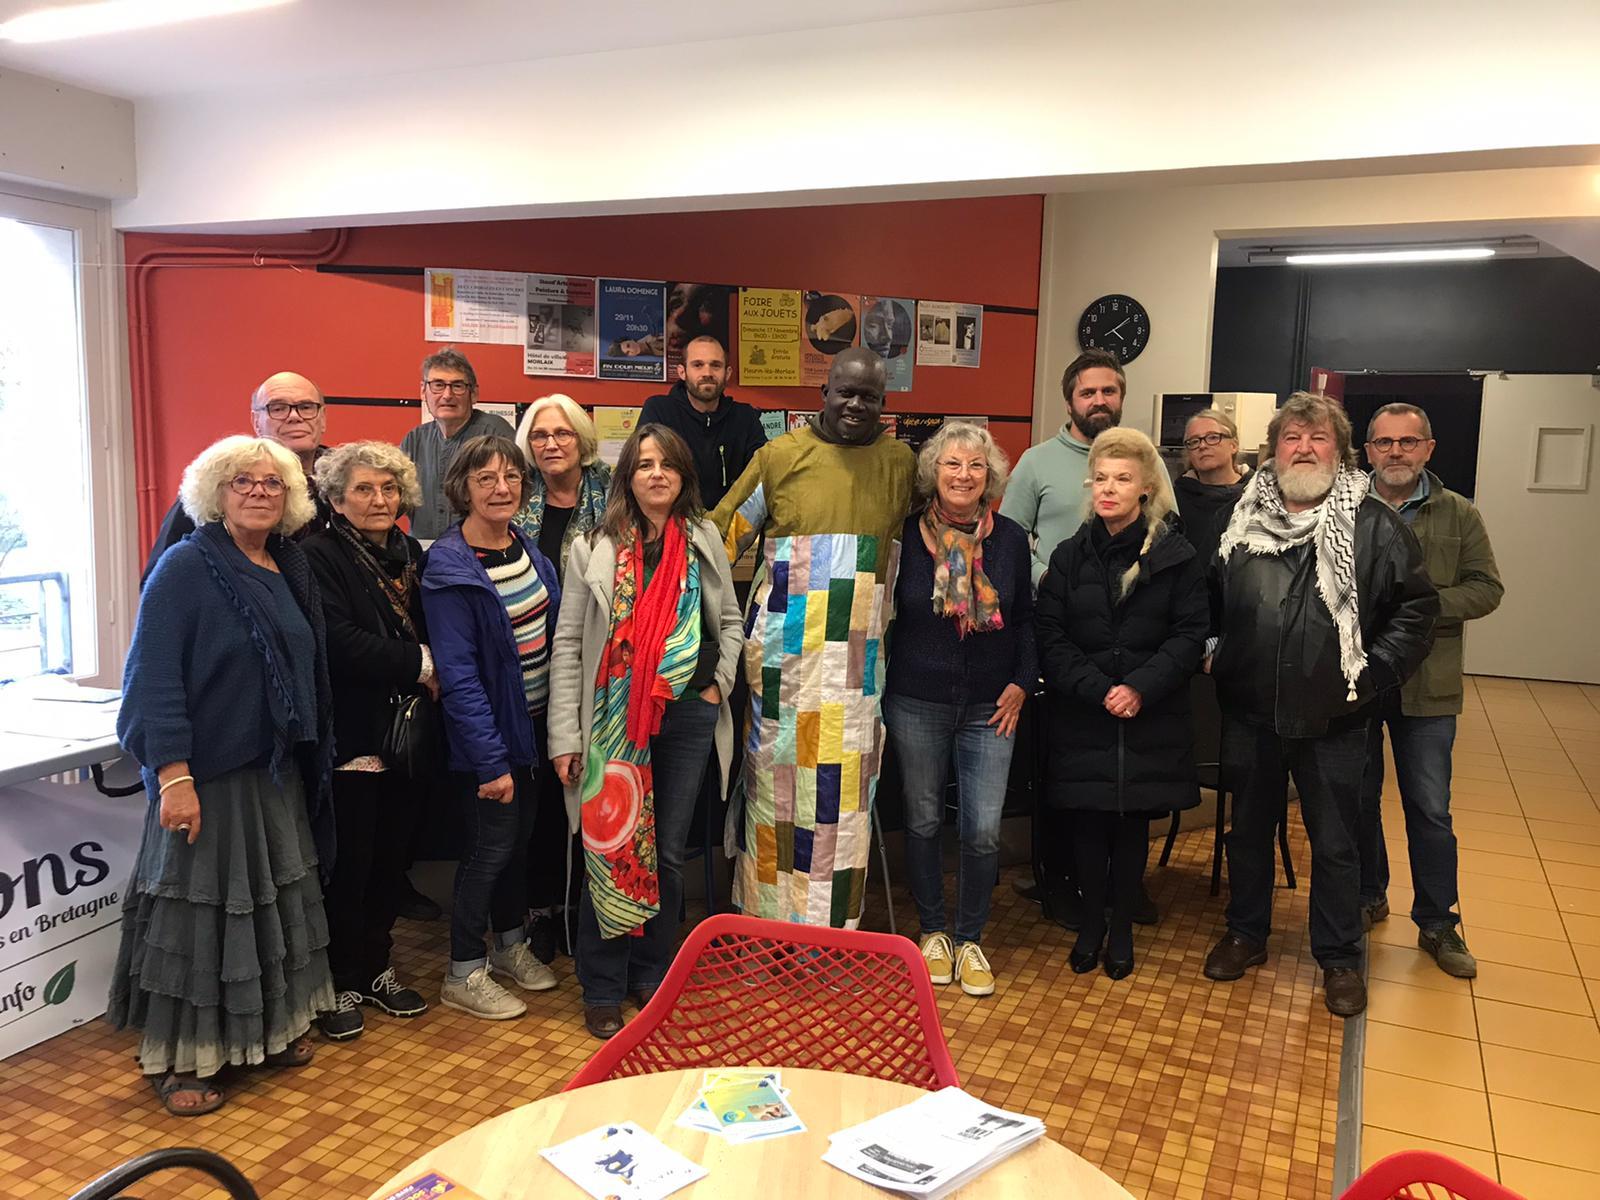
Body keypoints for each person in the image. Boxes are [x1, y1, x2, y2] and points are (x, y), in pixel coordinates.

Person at [110, 435, 337, 1115]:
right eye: (244, 481)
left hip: (272, 773)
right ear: (216, 492)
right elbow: (151, 677)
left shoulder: (287, 564)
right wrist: (172, 775)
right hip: (206, 778)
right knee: (199, 922)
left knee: (271, 913)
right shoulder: (185, 566)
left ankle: (268, 1032)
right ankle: (185, 1058)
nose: (260, 492)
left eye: (273, 482)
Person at [1203, 392, 1438, 1017]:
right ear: (1272, 448)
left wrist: (1369, 673)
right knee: (1247, 832)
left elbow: (1416, 612)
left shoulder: (1374, 524)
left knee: (1335, 843)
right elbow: (1211, 599)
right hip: (1250, 710)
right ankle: (1245, 934)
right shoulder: (1239, 520)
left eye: (1319, 438)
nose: (1304, 448)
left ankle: (1338, 958)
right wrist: (1217, 653)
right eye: (1292, 437)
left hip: (1338, 717)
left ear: (1340, 450)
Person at [547, 425, 743, 1039]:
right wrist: (565, 737)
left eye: (668, 465)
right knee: (610, 844)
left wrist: (718, 684)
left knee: (667, 852)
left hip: (686, 713)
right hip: (611, 719)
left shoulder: (706, 538)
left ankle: (653, 974)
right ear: (627, 476)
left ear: (684, 475)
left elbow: (732, 622)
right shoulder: (593, 547)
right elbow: (571, 644)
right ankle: (603, 985)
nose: (656, 474)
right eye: (644, 464)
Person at [712, 346, 916, 927]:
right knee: (774, 794)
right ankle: (765, 924)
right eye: (845, 392)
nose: (856, 405)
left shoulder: (901, 465)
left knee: (844, 801)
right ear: (822, 394)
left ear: (884, 403)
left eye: (869, 396)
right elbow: (721, 541)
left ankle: (835, 932)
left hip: (858, 671)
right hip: (783, 669)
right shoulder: (778, 458)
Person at [1001, 348, 1167, 927]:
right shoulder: (1038, 462)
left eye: (1109, 391)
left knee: (1125, 771)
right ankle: (1061, 881)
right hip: (1062, 640)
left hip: (1132, 643)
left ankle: (1123, 887)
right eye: (1088, 392)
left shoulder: (1143, 459)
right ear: (1069, 399)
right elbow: (1008, 540)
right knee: (1064, 769)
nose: (1100, 401)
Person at [1035, 429, 1208, 980]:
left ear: (1146, 488)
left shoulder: (1176, 557)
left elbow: (1189, 634)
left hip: (1148, 713)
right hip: (1084, 712)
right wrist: (1096, 688)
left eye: (1122, 480)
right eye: (1101, 479)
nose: (1108, 489)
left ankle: (1124, 926)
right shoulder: (1068, 557)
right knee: (1088, 821)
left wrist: (1137, 687)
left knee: (1131, 822)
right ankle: (1091, 922)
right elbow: (1051, 634)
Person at [883, 422, 1035, 997]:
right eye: (952, 464)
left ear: (990, 476)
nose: (964, 475)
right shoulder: (902, 537)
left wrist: (1022, 683)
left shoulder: (1011, 540)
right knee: (921, 820)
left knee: (983, 831)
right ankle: (932, 933)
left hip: (991, 706)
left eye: (975, 466)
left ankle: (970, 937)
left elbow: (1024, 620)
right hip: (915, 699)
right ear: (933, 472)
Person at [1358, 403, 1503, 978]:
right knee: (1358, 797)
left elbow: (1487, 588)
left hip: (1429, 686)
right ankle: (1369, 894)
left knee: (1429, 807)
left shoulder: (1458, 514)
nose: (1396, 452)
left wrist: (1418, 609)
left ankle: (1438, 922)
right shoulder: (1345, 509)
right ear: (1367, 450)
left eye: (1408, 442)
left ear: (1429, 448)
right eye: (1384, 442)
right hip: (1360, 680)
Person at [421, 435, 562, 1019]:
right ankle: (462, 971)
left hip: (531, 731)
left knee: (517, 843)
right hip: (488, 740)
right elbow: (456, 674)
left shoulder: (528, 550)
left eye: (510, 477)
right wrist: (490, 760)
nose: (501, 488)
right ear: (463, 489)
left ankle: (508, 946)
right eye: (486, 479)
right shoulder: (450, 568)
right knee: (487, 850)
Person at [301, 442, 436, 1041]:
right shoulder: (317, 555)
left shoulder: (408, 553)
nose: (379, 500)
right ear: (334, 498)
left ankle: (377, 968)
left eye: (388, 488)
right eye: (363, 489)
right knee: (348, 865)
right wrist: (423, 663)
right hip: (354, 733)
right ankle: (336, 982)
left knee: (391, 861)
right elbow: (336, 641)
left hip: (408, 735)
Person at [510, 393, 613, 962]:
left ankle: (589, 907)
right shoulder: (513, 489)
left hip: (594, 668)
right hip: (527, 671)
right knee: (542, 803)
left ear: (581, 439)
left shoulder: (611, 492)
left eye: (562, 434)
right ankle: (542, 911)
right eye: (541, 435)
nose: (551, 444)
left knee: (591, 786)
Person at [142, 371, 333, 582]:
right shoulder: (220, 481)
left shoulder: (347, 482)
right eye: (278, 408)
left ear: (322, 418)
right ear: (256, 421)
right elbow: (160, 581)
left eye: (306, 407)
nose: (295, 416)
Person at [639, 336, 767, 510]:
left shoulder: (745, 417)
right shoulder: (659, 410)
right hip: (674, 523)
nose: (707, 373)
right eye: (698, 365)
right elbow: (643, 472)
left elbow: (762, 477)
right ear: (682, 372)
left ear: (727, 373)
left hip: (731, 526)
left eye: (715, 365)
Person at [402, 348, 516, 541]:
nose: (447, 395)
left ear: (473, 393)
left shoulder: (496, 434)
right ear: (423, 391)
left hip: (476, 555)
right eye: (438, 385)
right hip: (423, 554)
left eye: (457, 386)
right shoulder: (414, 440)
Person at [1173, 408, 1251, 565]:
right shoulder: (1175, 500)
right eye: (1194, 441)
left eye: (1213, 437)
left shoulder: (1256, 495)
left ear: (1233, 445)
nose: (1202, 446)